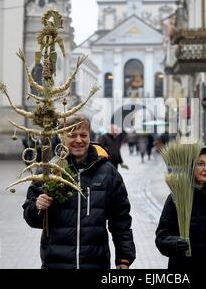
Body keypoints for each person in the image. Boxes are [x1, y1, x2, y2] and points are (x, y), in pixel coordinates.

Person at [22, 114, 136, 269]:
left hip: (96, 263)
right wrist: (37, 206)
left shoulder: (108, 172)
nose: (78, 140)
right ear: (62, 137)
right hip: (56, 263)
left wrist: (124, 258)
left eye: (83, 135)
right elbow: (32, 219)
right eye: (72, 135)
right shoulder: (49, 171)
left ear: (90, 137)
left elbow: (120, 219)